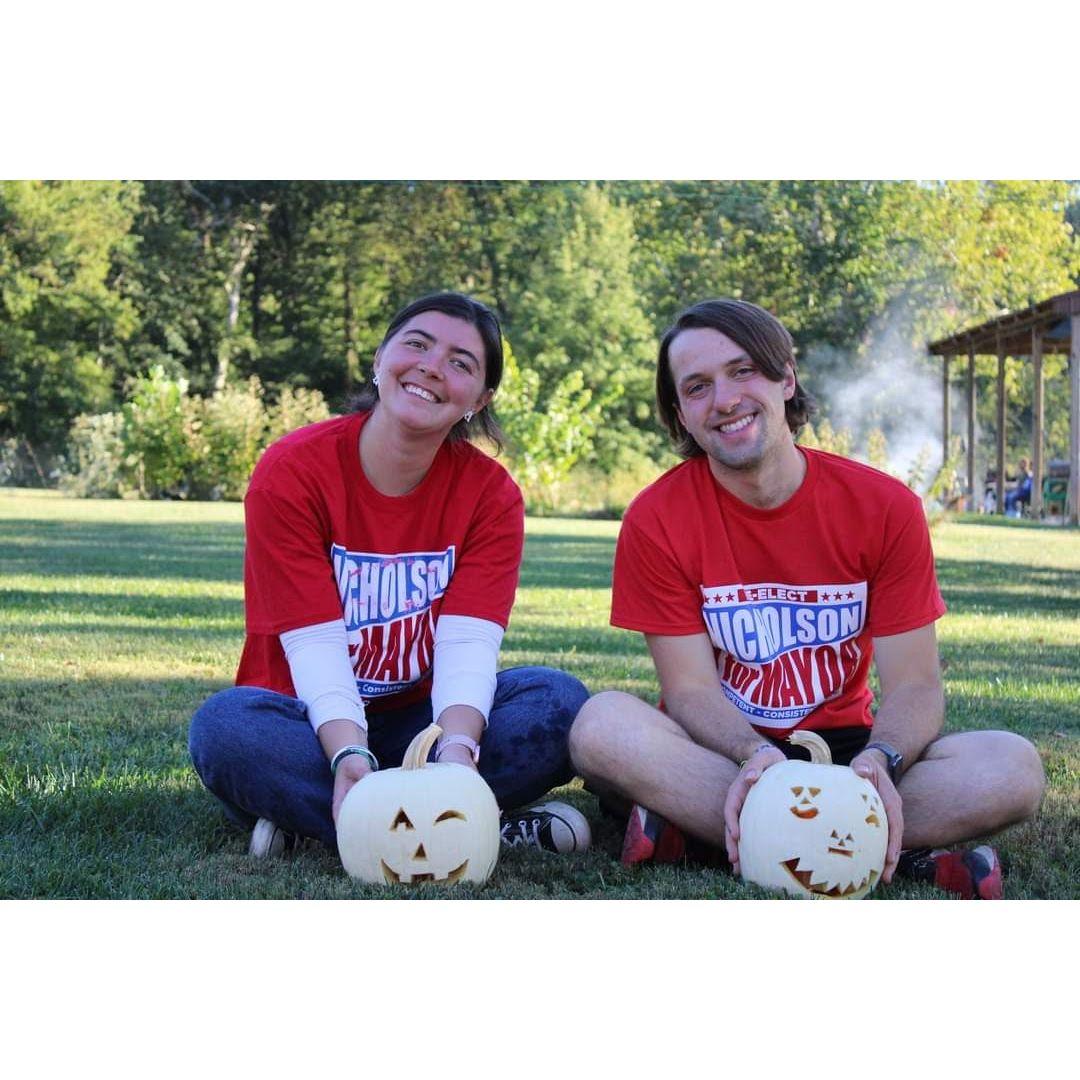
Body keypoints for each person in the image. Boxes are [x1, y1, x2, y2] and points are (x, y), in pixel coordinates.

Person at [569, 298, 1045, 899]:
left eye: (744, 371)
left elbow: (916, 686)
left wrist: (883, 761)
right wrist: (749, 754)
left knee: (1012, 768)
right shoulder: (655, 517)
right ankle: (877, 849)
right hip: (722, 749)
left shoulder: (885, 507)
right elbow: (688, 690)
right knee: (601, 727)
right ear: (682, 416)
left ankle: (701, 837)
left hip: (849, 757)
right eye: (697, 387)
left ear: (786, 377)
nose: (724, 399)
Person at [189, 292, 589, 860]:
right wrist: (347, 755)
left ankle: (326, 823)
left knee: (558, 702)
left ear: (481, 398)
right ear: (380, 359)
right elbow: (314, 644)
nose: (431, 366)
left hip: (418, 729)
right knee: (226, 732)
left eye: (461, 363)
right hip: (304, 722)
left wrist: (456, 753)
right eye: (417, 345)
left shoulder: (491, 495)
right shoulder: (292, 471)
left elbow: (468, 645)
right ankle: (462, 827)